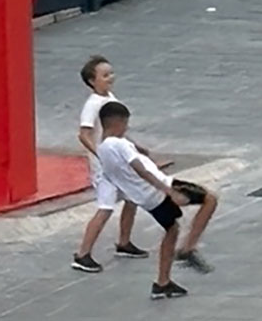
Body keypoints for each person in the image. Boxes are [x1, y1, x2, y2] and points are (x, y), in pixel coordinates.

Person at [93, 100, 217, 299]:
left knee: (172, 229)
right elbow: (139, 170)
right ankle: (188, 249)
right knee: (210, 199)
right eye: (126, 124)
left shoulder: (103, 149)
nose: (127, 128)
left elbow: (122, 170)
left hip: (146, 198)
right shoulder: (117, 144)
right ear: (118, 123)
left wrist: (139, 150)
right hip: (160, 188)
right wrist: (169, 191)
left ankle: (163, 283)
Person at [72, 55, 147, 272]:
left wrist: (135, 147)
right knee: (105, 208)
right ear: (92, 81)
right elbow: (84, 134)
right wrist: (100, 154)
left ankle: (124, 242)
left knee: (132, 199)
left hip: (118, 163)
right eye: (105, 75)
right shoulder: (92, 105)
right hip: (105, 168)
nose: (110, 78)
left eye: (110, 73)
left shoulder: (109, 98)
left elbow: (116, 129)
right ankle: (83, 254)